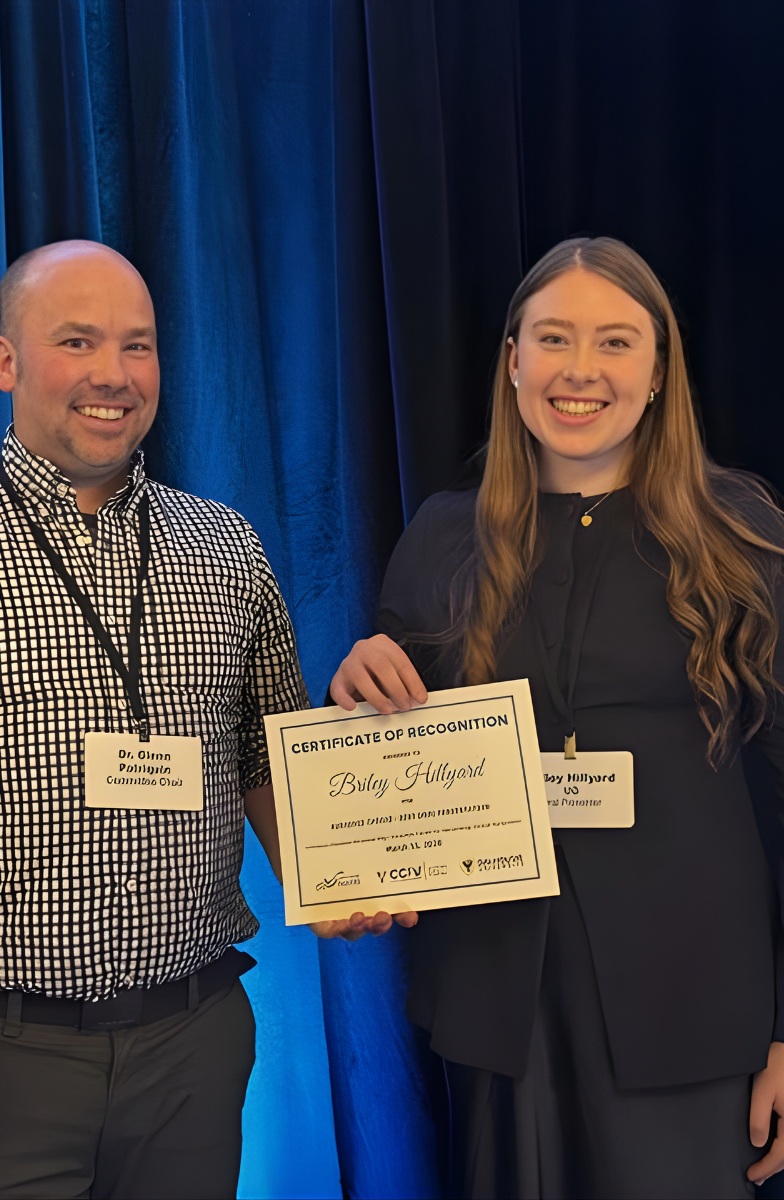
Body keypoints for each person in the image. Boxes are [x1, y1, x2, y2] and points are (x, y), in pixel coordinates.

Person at [329, 237, 784, 1199]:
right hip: (500, 1011)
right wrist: (365, 682)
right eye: (554, 339)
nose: (581, 371)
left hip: (697, 1015)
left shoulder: (745, 538)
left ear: (660, 372)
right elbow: (401, 750)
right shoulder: (442, 536)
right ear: (513, 360)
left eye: (616, 342)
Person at [0, 238, 338, 1200]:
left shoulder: (224, 546)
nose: (112, 376)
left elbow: (266, 762)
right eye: (76, 341)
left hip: (191, 1057)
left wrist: (347, 877)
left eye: (138, 345)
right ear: (6, 362)